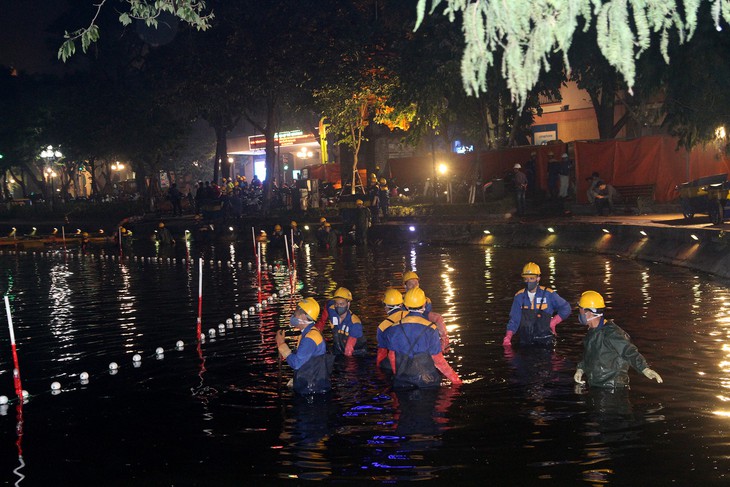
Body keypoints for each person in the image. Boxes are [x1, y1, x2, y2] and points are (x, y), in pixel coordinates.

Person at [573, 291, 663, 389]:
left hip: (613, 389)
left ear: (588, 313)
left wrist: (644, 369)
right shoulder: (592, 331)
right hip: (597, 386)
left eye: (580, 309)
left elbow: (628, 351)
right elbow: (590, 354)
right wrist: (581, 369)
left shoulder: (612, 333)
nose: (579, 313)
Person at [382, 288, 462, 388]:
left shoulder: (393, 329)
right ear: (424, 305)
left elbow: (392, 356)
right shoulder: (431, 329)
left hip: (403, 381)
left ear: (405, 306)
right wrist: (456, 381)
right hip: (427, 382)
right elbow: (439, 361)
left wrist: (397, 375)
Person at [502, 262, 571, 347]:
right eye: (526, 279)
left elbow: (566, 308)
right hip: (525, 342)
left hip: (546, 342)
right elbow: (514, 320)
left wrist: (554, 321)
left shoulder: (548, 294)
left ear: (538, 278)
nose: (528, 281)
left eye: (531, 278)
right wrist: (508, 337)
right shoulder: (519, 296)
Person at [276, 298, 334, 395]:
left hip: (313, 392)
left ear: (303, 316)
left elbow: (296, 363)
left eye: (295, 313)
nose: (293, 316)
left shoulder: (310, 338)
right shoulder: (308, 333)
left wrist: (281, 344)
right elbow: (306, 361)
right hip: (312, 387)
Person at [402, 271, 450, 352]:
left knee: (438, 318)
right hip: (406, 326)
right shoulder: (400, 301)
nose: (414, 286)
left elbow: (428, 318)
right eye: (411, 284)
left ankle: (444, 343)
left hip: (420, 326)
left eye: (416, 283)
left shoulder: (426, 300)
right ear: (405, 286)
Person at [317, 287, 366, 356]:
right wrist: (318, 329)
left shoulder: (354, 323)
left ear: (348, 304)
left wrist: (348, 365)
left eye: (342, 304)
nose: (338, 306)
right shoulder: (331, 309)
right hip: (337, 347)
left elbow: (349, 350)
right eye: (336, 304)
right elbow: (327, 305)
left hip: (356, 353)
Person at [376, 288, 408, 371]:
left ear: (386, 306)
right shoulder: (412, 316)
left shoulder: (382, 326)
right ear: (401, 304)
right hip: (419, 358)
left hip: (397, 361)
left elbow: (382, 352)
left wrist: (378, 368)